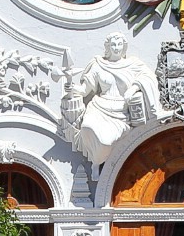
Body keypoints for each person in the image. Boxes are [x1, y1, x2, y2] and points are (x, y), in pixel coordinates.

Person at [60, 33, 158, 167]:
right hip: (99, 107)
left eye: (119, 44)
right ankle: (97, 162)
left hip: (121, 112)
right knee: (87, 127)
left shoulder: (132, 64)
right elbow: (85, 90)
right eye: (113, 45)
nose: (116, 48)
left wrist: (133, 88)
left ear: (124, 46)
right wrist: (71, 88)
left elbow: (147, 77)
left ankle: (100, 162)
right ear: (108, 47)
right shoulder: (99, 65)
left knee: (106, 141)